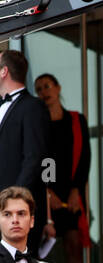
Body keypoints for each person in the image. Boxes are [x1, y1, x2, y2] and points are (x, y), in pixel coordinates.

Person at [33, 74, 90, 263]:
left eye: (47, 86)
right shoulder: (38, 124)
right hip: (46, 191)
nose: (43, 92)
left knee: (74, 245)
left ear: (58, 88)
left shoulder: (75, 120)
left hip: (71, 192)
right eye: (39, 89)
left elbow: (84, 158)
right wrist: (47, 193)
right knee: (46, 248)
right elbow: (36, 161)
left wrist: (76, 191)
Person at [0, 51, 51, 243]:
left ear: (4, 71)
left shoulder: (33, 107)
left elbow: (36, 157)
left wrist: (14, 198)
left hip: (15, 211)